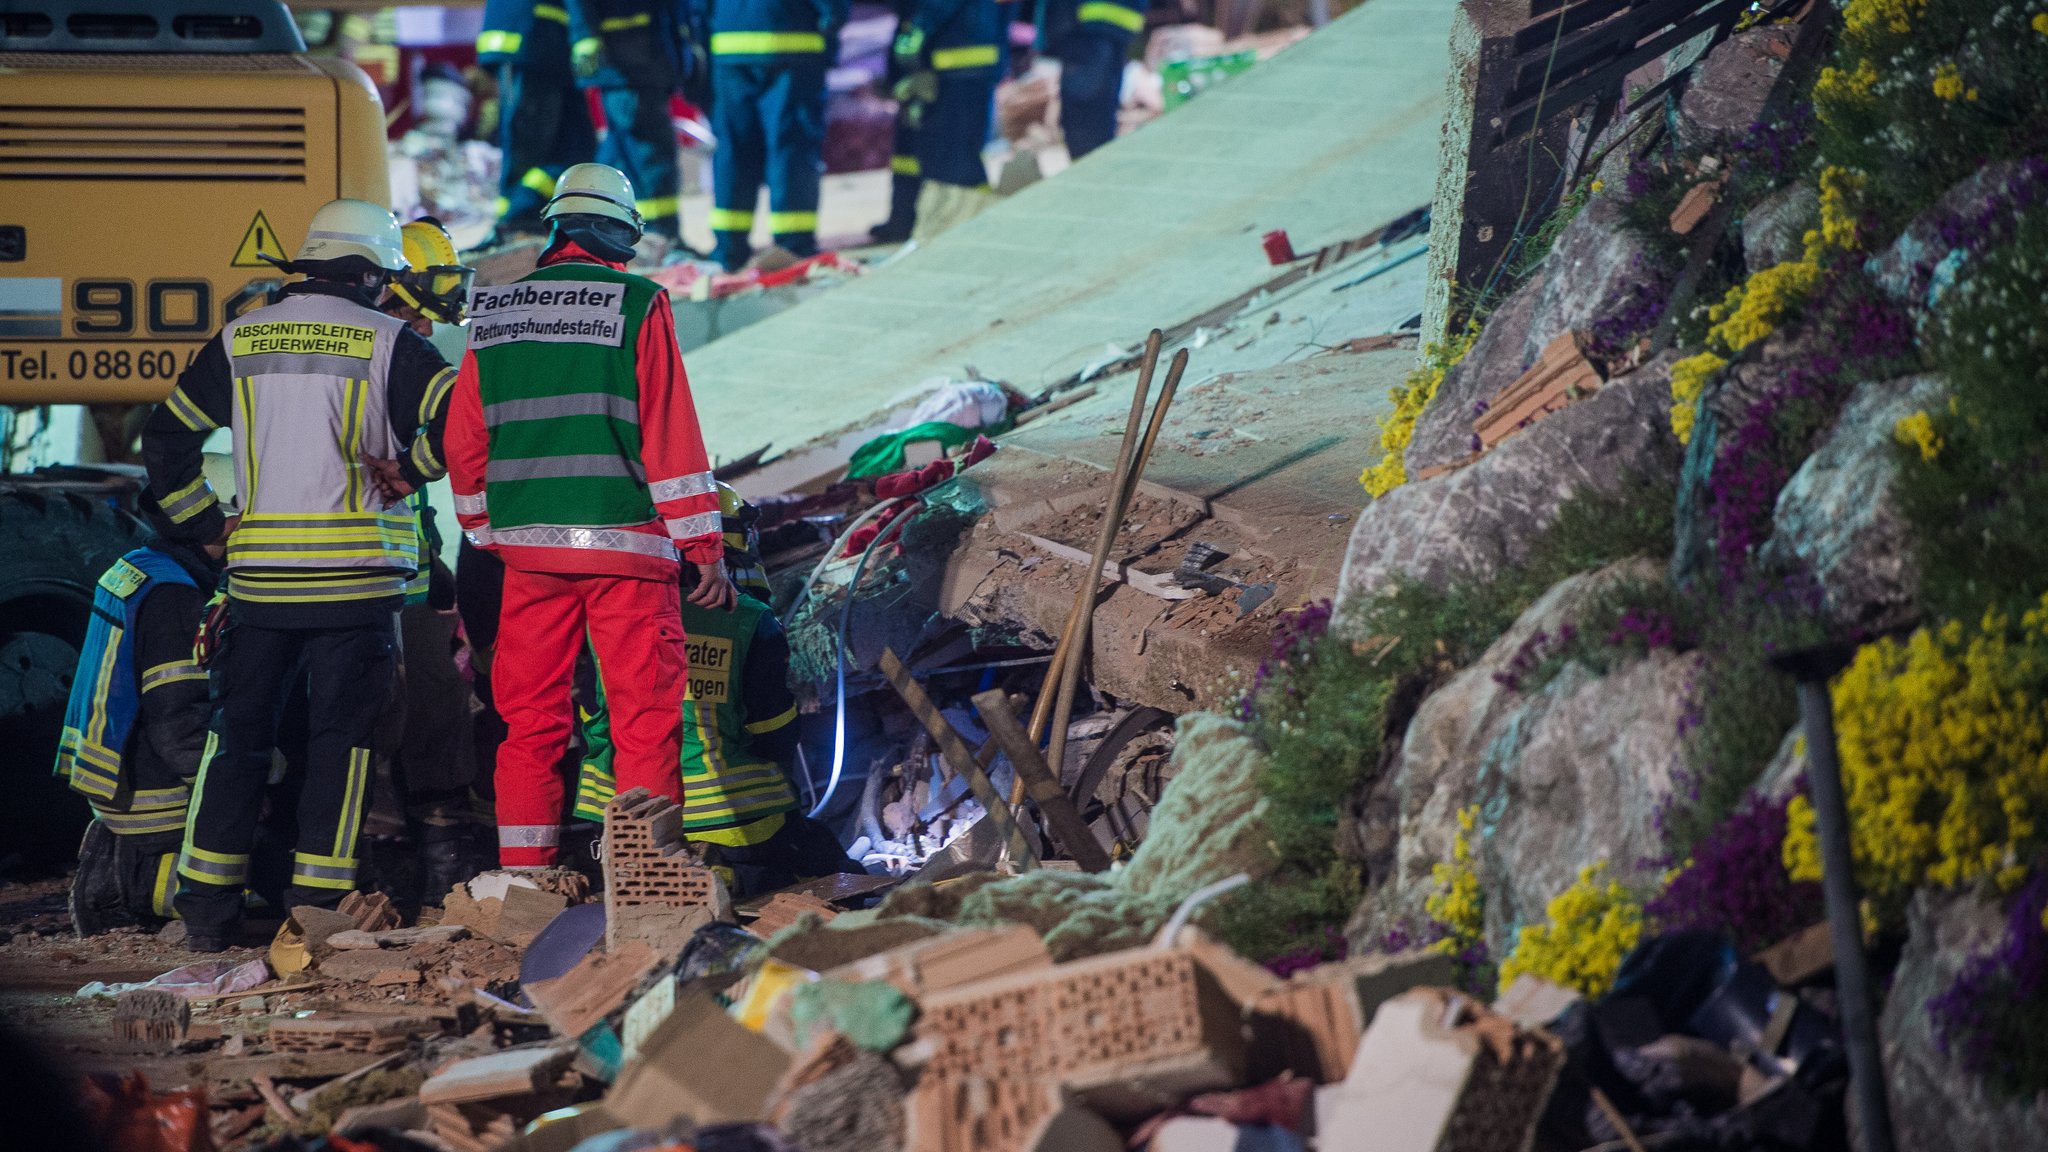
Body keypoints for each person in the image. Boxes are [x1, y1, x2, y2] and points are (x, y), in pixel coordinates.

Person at [140, 199, 458, 950]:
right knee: (341, 745)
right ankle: (314, 911)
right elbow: (465, 420)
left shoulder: (240, 338)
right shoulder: (392, 343)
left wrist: (209, 528)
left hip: (258, 589)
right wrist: (410, 472)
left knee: (237, 740)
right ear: (373, 275)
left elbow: (165, 444)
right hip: (355, 587)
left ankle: (208, 916)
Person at [446, 162, 734, 870]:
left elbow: (465, 437)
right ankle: (642, 875)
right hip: (627, 552)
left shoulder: (498, 309)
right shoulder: (640, 304)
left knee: (529, 724)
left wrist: (485, 530)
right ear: (621, 232)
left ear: (555, 227)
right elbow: (671, 437)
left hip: (528, 559)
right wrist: (705, 547)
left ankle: (526, 881)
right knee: (642, 720)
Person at [573, 487, 859, 896]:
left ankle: (697, 876)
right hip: (740, 823)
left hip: (628, 829)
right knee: (826, 864)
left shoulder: (605, 619)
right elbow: (771, 734)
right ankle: (726, 879)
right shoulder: (749, 620)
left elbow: (591, 724)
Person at [59, 496, 226, 936]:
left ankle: (122, 850)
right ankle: (127, 883)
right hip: (150, 793)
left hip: (112, 775)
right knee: (239, 886)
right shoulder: (178, 598)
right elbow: (180, 724)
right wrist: (233, 785)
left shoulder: (142, 565)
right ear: (225, 522)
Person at [700, 0, 847, 269]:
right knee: (790, 148)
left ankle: (729, 250)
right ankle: (793, 246)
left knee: (735, 150)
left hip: (729, 43)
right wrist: (831, 26)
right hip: (791, 39)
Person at [568, 0, 699, 249]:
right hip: (631, 59)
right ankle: (660, 235)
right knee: (649, 154)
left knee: (622, 152)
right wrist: (585, 33)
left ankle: (611, 233)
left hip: (641, 55)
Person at [479, 0, 601, 243]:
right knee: (527, 150)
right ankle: (514, 226)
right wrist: (586, 34)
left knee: (578, 149)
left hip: (549, 41)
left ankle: (523, 216)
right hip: (529, 36)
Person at [890, 0, 1002, 236]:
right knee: (958, 152)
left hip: (958, 62)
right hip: (960, 60)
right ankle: (974, 221)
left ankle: (977, 223)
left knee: (955, 154)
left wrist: (918, 28)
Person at [1037, 0, 1144, 159]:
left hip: (1084, 22)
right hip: (1112, 19)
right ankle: (1098, 169)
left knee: (1086, 115)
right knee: (1100, 112)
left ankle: (1090, 172)